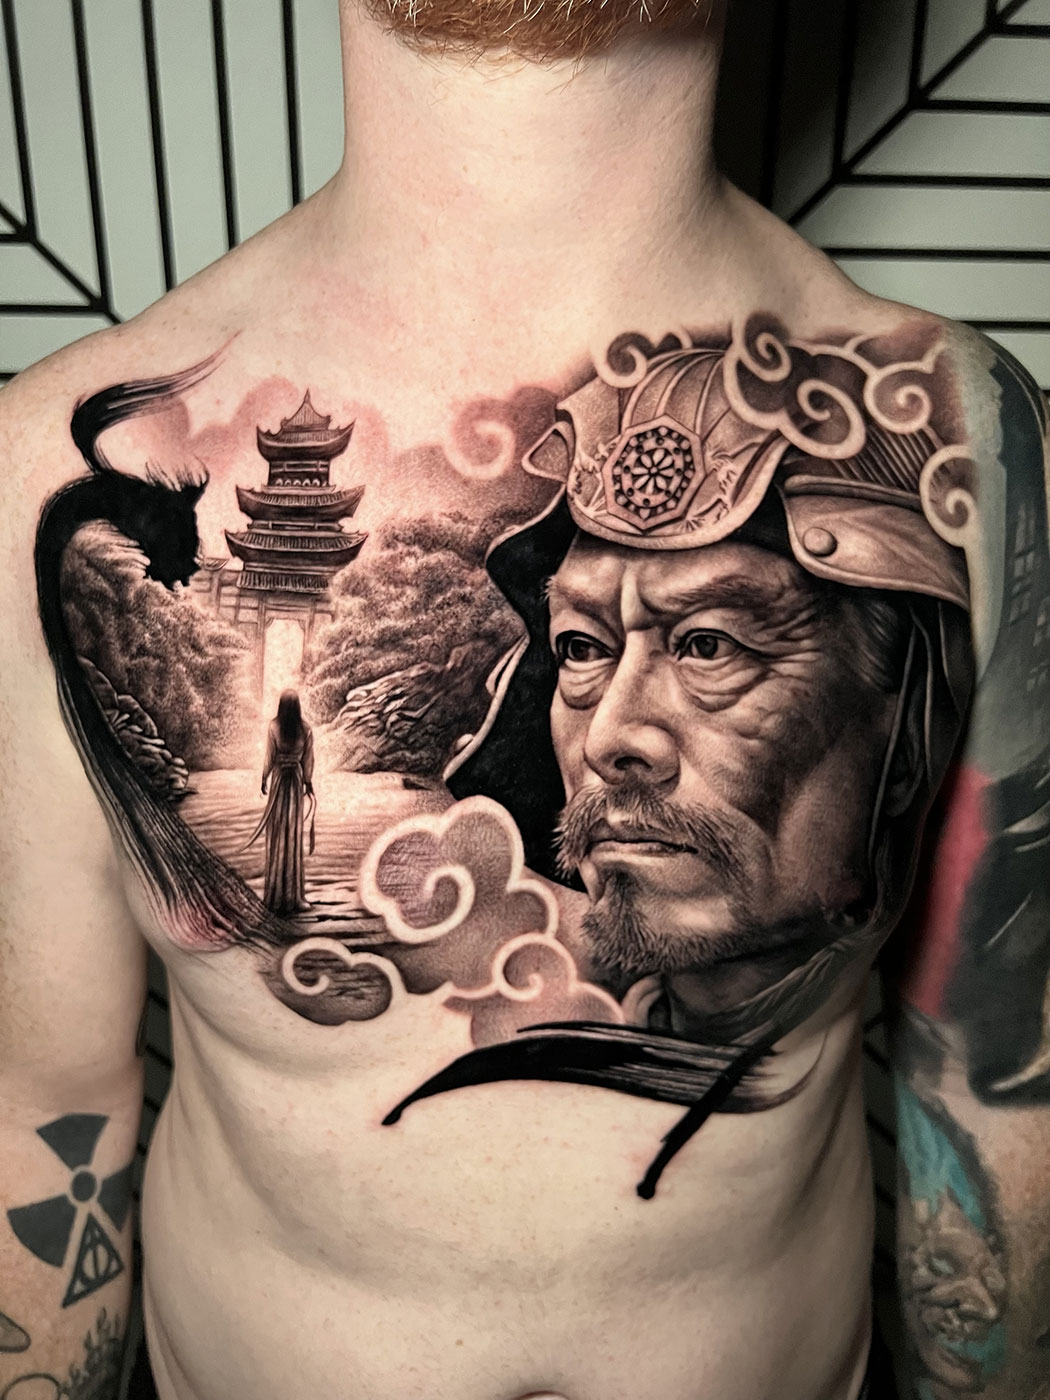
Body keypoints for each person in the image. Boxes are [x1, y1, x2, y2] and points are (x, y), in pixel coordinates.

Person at [1, 6, 1047, 1400]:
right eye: (578, 650)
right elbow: (43, 1112)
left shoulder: (968, 440)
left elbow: (991, 1082)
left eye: (712, 646)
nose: (615, 733)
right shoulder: (37, 474)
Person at [253, 691, 315, 916]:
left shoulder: (274, 727)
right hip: (294, 782)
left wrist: (264, 778)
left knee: (279, 834)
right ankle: (292, 897)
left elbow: (269, 757)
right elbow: (308, 759)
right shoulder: (305, 728)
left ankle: (276, 896)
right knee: (292, 835)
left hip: (280, 780)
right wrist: (308, 783)